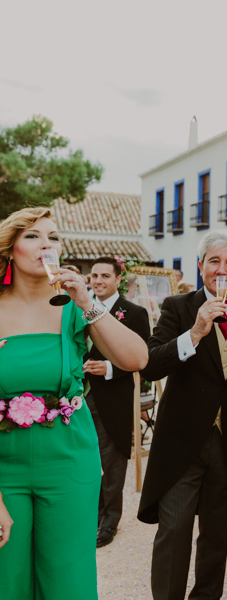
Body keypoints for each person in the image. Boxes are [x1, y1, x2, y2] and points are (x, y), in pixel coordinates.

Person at [0, 207, 148, 599]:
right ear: (10, 248)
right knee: (6, 576)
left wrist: (86, 299)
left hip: (68, 460)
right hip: (3, 464)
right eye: (33, 236)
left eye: (53, 236)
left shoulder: (76, 306)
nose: (46, 243)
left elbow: (136, 359)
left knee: (67, 578)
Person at [138, 230, 227, 600]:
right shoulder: (178, 307)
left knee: (217, 539)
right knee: (174, 533)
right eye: (214, 261)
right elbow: (150, 366)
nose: (222, 269)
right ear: (201, 267)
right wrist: (195, 333)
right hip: (181, 443)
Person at [83, 256, 152, 548]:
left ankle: (109, 521)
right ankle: (90, 516)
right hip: (79, 399)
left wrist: (110, 369)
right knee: (86, 463)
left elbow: (145, 360)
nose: (97, 281)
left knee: (112, 464)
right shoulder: (77, 308)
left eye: (104, 276)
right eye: (94, 276)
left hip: (114, 400)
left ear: (117, 279)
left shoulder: (134, 313)